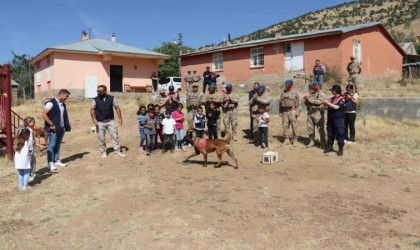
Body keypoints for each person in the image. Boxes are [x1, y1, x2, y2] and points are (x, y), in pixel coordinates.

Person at [90, 85, 126, 158]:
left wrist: (120, 118)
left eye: (100, 91)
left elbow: (117, 108)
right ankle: (103, 152)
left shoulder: (111, 98)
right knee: (101, 138)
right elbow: (92, 109)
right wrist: (93, 118)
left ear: (105, 91)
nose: (98, 92)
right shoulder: (95, 99)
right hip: (100, 122)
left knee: (115, 136)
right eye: (97, 91)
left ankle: (117, 151)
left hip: (110, 121)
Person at [42, 89, 71, 170]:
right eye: (66, 96)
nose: (67, 98)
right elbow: (43, 114)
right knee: (51, 145)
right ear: (61, 94)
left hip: (61, 128)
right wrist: (51, 124)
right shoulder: (51, 103)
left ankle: (56, 160)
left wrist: (65, 126)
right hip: (53, 129)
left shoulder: (62, 104)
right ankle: (50, 163)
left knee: (58, 145)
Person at [323, 85, 346, 156]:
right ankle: (330, 146)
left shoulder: (342, 98)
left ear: (335, 91)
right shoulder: (332, 99)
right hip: (330, 118)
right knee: (330, 133)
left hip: (338, 118)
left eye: (332, 90)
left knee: (340, 133)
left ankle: (340, 149)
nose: (332, 91)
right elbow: (325, 107)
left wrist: (327, 103)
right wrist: (325, 104)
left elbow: (336, 107)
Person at [23, 116, 46, 182]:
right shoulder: (28, 130)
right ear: (28, 123)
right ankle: (29, 176)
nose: (34, 123)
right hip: (29, 150)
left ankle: (32, 173)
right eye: (33, 122)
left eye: (34, 122)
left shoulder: (30, 130)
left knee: (33, 161)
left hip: (31, 149)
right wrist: (40, 145)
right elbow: (31, 141)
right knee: (29, 162)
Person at [304, 82, 326, 148]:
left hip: (318, 113)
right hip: (310, 112)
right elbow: (307, 103)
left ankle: (323, 143)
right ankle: (311, 141)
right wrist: (306, 100)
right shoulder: (311, 93)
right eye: (313, 86)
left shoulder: (321, 93)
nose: (314, 87)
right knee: (310, 128)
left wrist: (309, 99)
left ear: (319, 86)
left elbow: (319, 102)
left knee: (320, 129)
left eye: (315, 86)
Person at [279, 79, 301, 146]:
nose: (287, 85)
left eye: (288, 84)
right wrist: (280, 111)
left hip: (292, 111)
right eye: (286, 84)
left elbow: (299, 103)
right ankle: (286, 139)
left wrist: (298, 111)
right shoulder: (283, 92)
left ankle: (295, 139)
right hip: (285, 111)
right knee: (285, 125)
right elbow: (280, 102)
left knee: (294, 126)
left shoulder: (296, 92)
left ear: (291, 84)